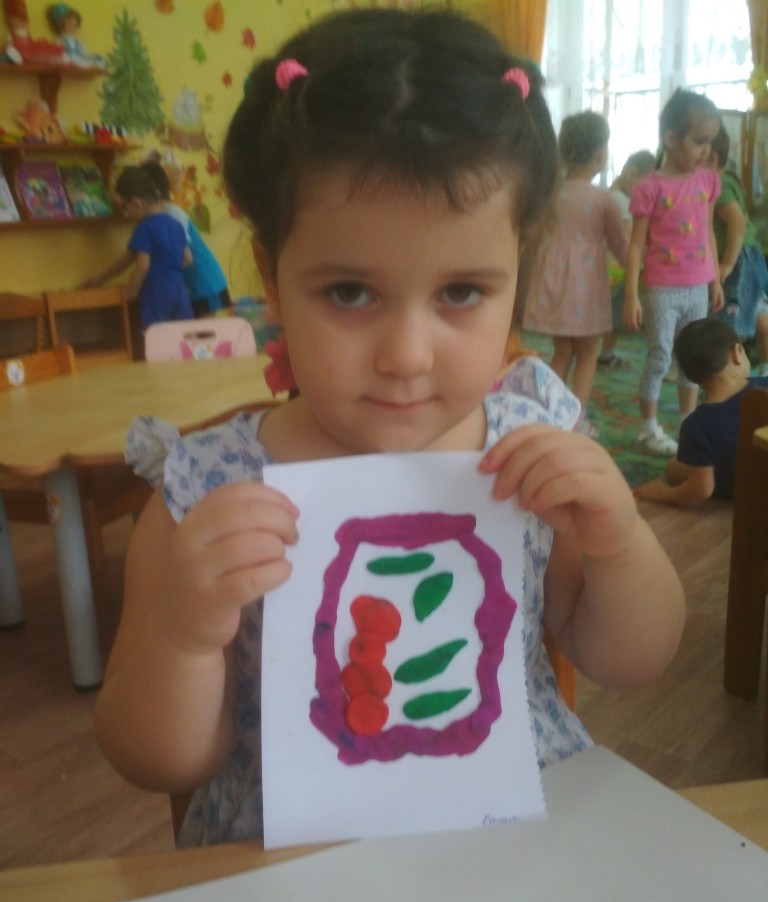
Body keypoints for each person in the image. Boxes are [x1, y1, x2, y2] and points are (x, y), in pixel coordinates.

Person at [93, 7, 685, 847]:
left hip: (514, 843)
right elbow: (154, 759)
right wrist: (184, 635)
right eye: (349, 293)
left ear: (519, 273)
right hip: (287, 867)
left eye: (461, 292)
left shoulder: (530, 453)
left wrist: (620, 543)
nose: (406, 355)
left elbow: (630, 660)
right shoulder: (208, 490)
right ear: (271, 277)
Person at [623, 89, 724, 457]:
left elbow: (708, 231)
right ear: (670, 139)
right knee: (660, 356)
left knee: (692, 358)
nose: (706, 150)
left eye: (710, 141)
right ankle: (647, 428)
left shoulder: (708, 181)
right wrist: (631, 295)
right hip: (662, 288)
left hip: (697, 285)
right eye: (699, 141)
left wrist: (715, 279)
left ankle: (687, 423)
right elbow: (636, 245)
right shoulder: (650, 188)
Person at [522, 111, 627, 437]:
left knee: (563, 351)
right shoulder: (603, 199)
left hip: (554, 279)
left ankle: (549, 412)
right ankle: (575, 420)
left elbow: (535, 235)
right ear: (599, 155)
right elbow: (619, 244)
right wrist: (638, 267)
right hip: (586, 286)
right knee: (588, 353)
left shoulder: (550, 194)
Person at [634, 318, 766, 504]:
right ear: (736, 353)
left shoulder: (695, 425)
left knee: (674, 467)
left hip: (739, 489)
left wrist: (663, 493)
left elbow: (701, 490)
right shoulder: (764, 387)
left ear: (689, 377)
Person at [82, 166, 193, 330]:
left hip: (156, 291)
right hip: (180, 289)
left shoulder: (145, 227)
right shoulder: (175, 224)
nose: (126, 213)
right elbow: (188, 259)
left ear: (137, 204)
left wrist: (131, 291)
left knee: (155, 336)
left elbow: (142, 265)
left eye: (125, 208)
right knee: (183, 336)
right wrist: (100, 278)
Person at [708, 123, 768, 373]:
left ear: (710, 158)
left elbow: (736, 222)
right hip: (753, 257)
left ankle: (729, 377)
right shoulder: (727, 181)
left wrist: (727, 263)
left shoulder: (717, 184)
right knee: (758, 314)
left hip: (739, 259)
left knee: (730, 324)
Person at [141, 160, 232, 317]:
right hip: (186, 287)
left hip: (204, 283)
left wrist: (160, 277)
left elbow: (186, 257)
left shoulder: (173, 214)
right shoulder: (152, 219)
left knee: (204, 332)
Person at [597, 149, 656, 368]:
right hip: (618, 269)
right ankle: (605, 355)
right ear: (632, 174)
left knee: (612, 314)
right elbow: (628, 238)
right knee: (614, 314)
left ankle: (606, 353)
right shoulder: (621, 201)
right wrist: (642, 257)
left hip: (612, 268)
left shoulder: (612, 196)